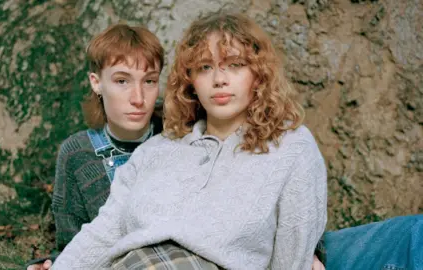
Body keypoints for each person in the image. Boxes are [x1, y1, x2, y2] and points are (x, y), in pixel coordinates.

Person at [52, 12, 328, 270]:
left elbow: (294, 250)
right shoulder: (159, 148)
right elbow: (104, 232)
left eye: (235, 65)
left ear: (258, 75)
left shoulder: (292, 148)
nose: (219, 80)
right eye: (205, 67)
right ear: (190, 80)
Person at [26, 23, 165, 270]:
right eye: (122, 81)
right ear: (96, 83)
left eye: (149, 81)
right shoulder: (77, 153)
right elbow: (73, 243)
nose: (138, 98)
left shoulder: (178, 137)